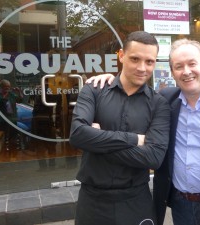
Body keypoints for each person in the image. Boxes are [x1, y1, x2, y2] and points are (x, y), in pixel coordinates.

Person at [87, 38, 200, 225]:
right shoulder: (165, 101)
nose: (186, 71)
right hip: (180, 204)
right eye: (179, 66)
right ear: (172, 72)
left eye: (192, 64)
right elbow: (133, 88)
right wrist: (110, 80)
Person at [69, 31, 170, 225]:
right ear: (121, 56)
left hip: (136, 200)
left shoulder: (159, 104)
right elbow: (78, 135)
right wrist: (133, 139)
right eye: (135, 59)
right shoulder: (93, 90)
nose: (142, 68)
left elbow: (153, 157)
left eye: (149, 62)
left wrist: (97, 141)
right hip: (93, 201)